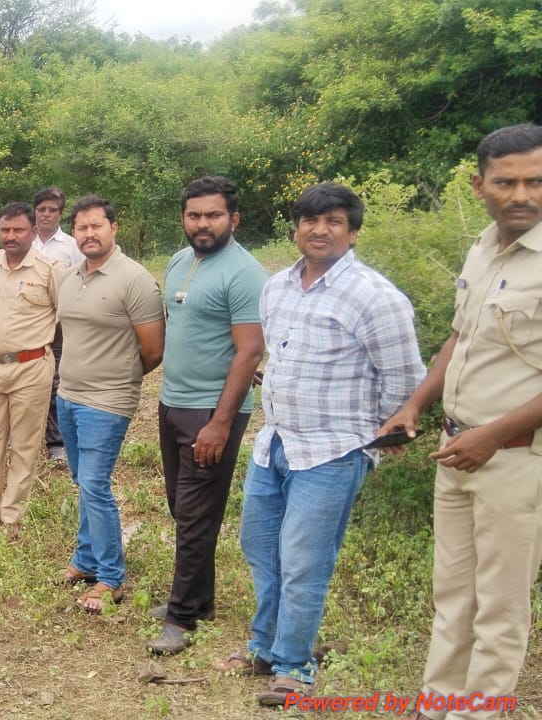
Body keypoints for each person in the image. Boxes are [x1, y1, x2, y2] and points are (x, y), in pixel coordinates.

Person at [216, 183, 425, 705]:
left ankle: (293, 665)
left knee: (305, 560)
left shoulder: (375, 297)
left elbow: (404, 379)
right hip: (277, 443)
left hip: (333, 452)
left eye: (334, 221)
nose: (320, 230)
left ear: (352, 232)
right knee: (260, 548)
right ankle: (262, 646)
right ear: (295, 228)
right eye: (310, 220)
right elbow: (276, 354)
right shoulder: (278, 287)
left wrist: (377, 437)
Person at [379, 123, 542, 720]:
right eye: (507, 181)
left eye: (536, 181)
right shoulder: (481, 247)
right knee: (452, 595)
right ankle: (440, 703)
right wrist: (415, 404)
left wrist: (493, 436)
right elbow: (460, 338)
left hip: (515, 457)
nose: (522, 193)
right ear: (480, 185)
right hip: (457, 449)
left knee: (499, 606)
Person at [150, 177, 266, 654]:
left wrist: (220, 422)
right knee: (183, 508)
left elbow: (249, 350)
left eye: (213, 215)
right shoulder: (180, 262)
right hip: (172, 402)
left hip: (212, 411)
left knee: (196, 513)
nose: (202, 224)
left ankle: (181, 619)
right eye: (194, 215)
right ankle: (200, 600)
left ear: (233, 220)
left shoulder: (244, 273)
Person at [54, 195, 164, 613]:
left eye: (96, 225)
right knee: (83, 481)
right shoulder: (70, 277)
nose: (89, 233)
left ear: (113, 228)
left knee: (96, 484)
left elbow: (153, 350)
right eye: (81, 227)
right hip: (69, 395)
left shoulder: (134, 279)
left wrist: (117, 380)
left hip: (107, 401)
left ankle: (111, 577)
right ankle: (85, 560)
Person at [0, 202, 62, 542]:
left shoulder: (50, 269)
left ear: (33, 232)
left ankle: (11, 516)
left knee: (24, 444)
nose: (11, 236)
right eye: (5, 229)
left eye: (18, 229)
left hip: (32, 368)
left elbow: (65, 316)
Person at [30, 187, 82, 465]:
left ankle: (57, 443)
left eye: (52, 210)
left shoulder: (72, 246)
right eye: (41, 209)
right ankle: (22, 439)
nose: (46, 214)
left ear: (60, 214)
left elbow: (81, 282)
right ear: (35, 212)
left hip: (60, 329)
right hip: (27, 329)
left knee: (56, 386)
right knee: (25, 384)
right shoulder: (24, 240)